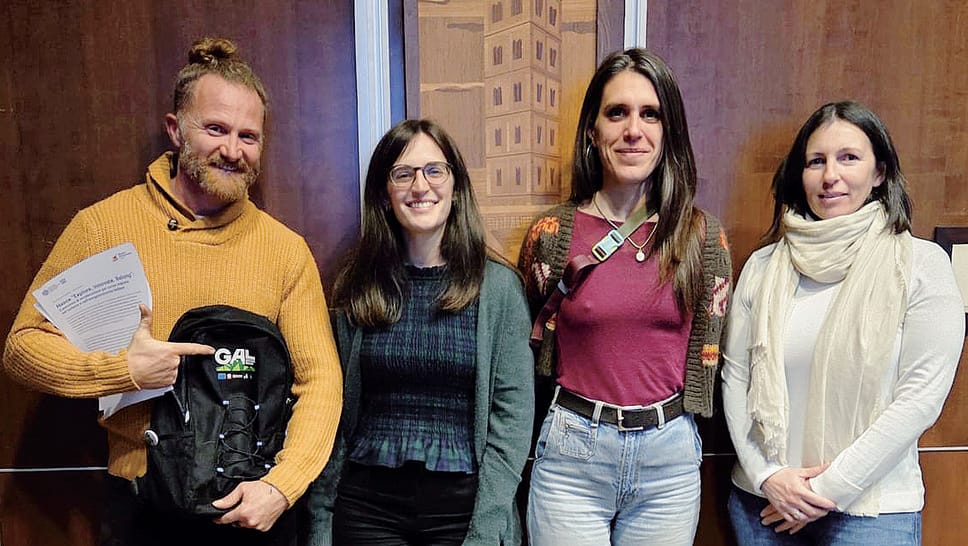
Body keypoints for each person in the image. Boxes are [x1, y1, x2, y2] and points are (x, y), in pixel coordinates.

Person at [2, 37, 343, 546]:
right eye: (216, 129)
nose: (233, 149)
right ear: (175, 130)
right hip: (142, 508)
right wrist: (123, 370)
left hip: (254, 506)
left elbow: (321, 382)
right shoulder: (103, 227)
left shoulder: (285, 250)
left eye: (249, 136)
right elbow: (22, 347)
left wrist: (282, 485)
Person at [722, 101, 965, 545]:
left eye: (848, 158)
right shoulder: (763, 267)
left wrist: (820, 492)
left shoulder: (921, 265)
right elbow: (736, 378)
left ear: (879, 173)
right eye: (816, 161)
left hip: (872, 514)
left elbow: (919, 400)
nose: (830, 175)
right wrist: (768, 477)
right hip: (764, 505)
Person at [517, 48, 732, 545]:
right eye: (617, 112)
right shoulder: (551, 235)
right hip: (573, 457)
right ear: (593, 132)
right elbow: (529, 348)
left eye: (649, 113)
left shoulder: (703, 238)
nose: (633, 129)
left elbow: (716, 352)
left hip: (669, 460)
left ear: (667, 131)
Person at [302, 119, 534, 545]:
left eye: (434, 171)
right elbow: (330, 413)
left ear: (456, 187)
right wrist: (321, 518)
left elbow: (512, 423)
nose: (420, 186)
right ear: (385, 195)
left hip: (462, 510)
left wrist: (486, 531)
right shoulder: (357, 286)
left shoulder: (498, 289)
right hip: (367, 507)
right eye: (403, 174)